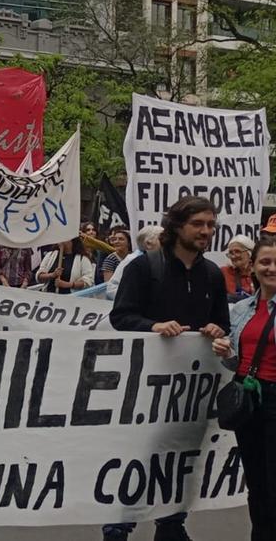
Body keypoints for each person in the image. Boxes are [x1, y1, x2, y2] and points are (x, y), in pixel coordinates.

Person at [106, 196, 229, 541]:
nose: (206, 232)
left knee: (182, 458)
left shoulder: (212, 275)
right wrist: (153, 326)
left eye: (210, 225)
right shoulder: (144, 267)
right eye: (198, 224)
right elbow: (120, 317)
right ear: (176, 226)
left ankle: (171, 523)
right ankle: (118, 527)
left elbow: (221, 322)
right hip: (143, 390)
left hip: (189, 391)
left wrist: (216, 331)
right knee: (135, 459)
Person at [211, 236, 276, 540]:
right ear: (254, 266)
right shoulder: (240, 310)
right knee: (257, 482)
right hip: (249, 397)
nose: (271, 268)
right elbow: (236, 363)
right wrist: (226, 353)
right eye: (266, 262)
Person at [105, 226, 164, 301]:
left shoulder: (162, 259)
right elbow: (111, 289)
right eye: (161, 240)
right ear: (148, 244)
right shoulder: (131, 260)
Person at [223, 235, 256, 304]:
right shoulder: (224, 272)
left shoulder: (259, 273)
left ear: (249, 253)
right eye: (231, 253)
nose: (233, 256)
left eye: (237, 251)